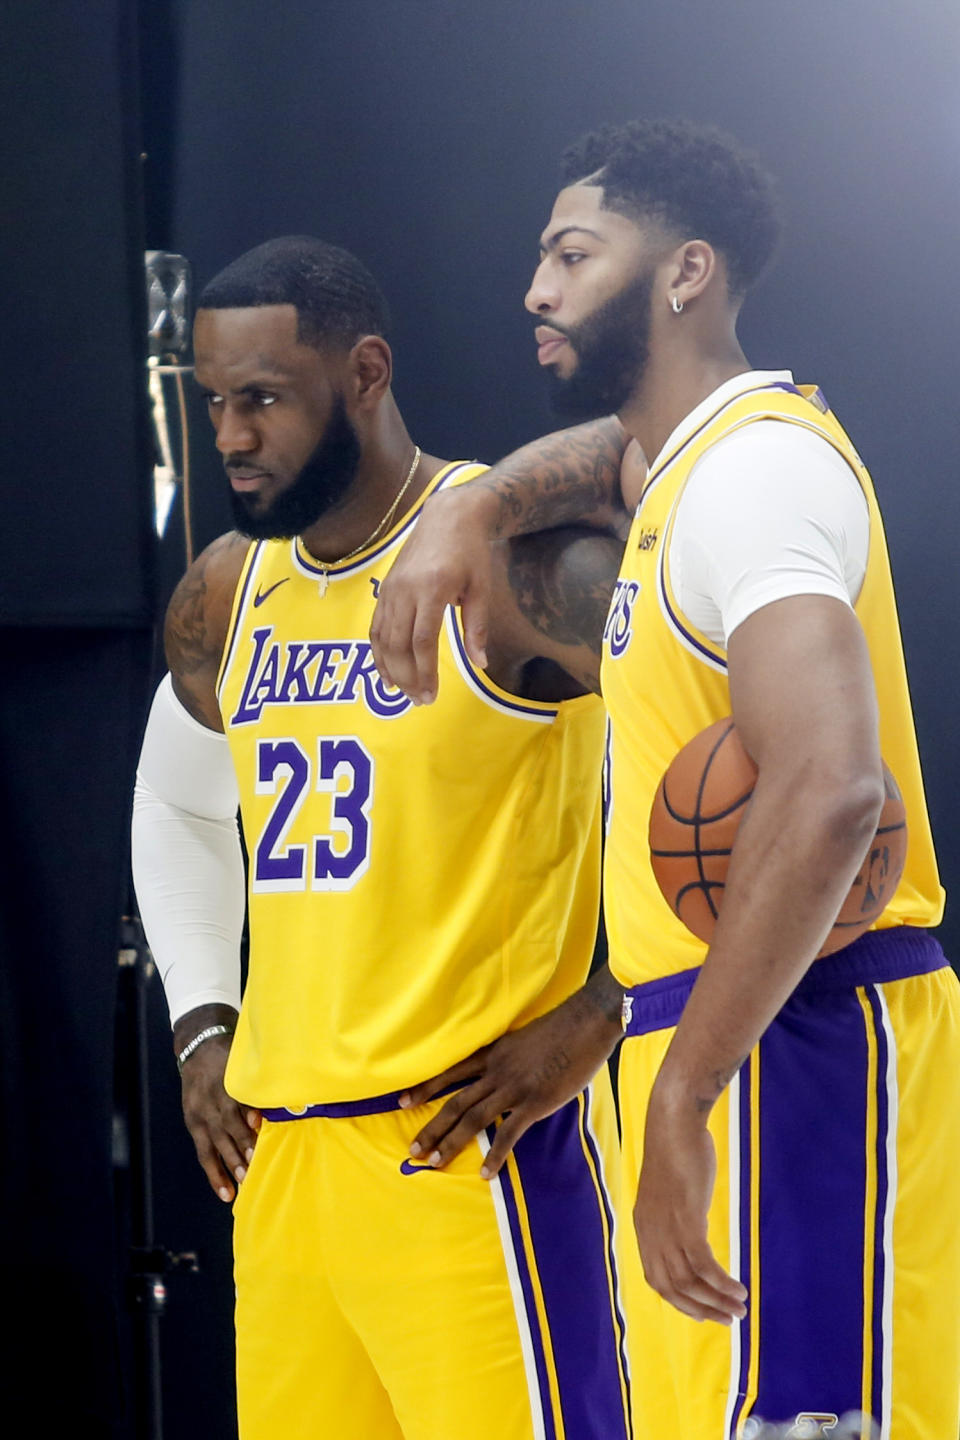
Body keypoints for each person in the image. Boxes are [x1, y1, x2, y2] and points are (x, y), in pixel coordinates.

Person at [370, 121, 960, 1438]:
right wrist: (466, 514)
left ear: (685, 274)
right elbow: (602, 461)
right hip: (725, 1035)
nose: (536, 290)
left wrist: (688, 1089)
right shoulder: (681, 469)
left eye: (574, 256)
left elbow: (831, 792)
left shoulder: (756, 473)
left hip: (797, 1052)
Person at [131, 236, 635, 1440]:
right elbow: (178, 804)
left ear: (364, 373)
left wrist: (610, 1003)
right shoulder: (225, 591)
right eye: (215, 405)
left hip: (471, 1158)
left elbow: (732, 777)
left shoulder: (514, 565)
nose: (234, 437)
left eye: (264, 399)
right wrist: (204, 1020)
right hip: (285, 1171)